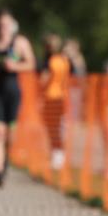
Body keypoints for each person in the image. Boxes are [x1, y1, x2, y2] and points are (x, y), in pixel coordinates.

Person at [0, 9, 35, 187]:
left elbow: (31, 64)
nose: (2, 28)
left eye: (5, 24)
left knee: (10, 135)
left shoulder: (20, 43)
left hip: (12, 92)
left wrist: (15, 66)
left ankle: (5, 163)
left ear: (12, 25)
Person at [40, 34, 71, 170]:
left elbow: (44, 80)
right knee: (58, 127)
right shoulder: (65, 60)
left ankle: (57, 154)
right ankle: (58, 153)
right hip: (62, 98)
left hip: (51, 98)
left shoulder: (51, 61)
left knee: (53, 128)